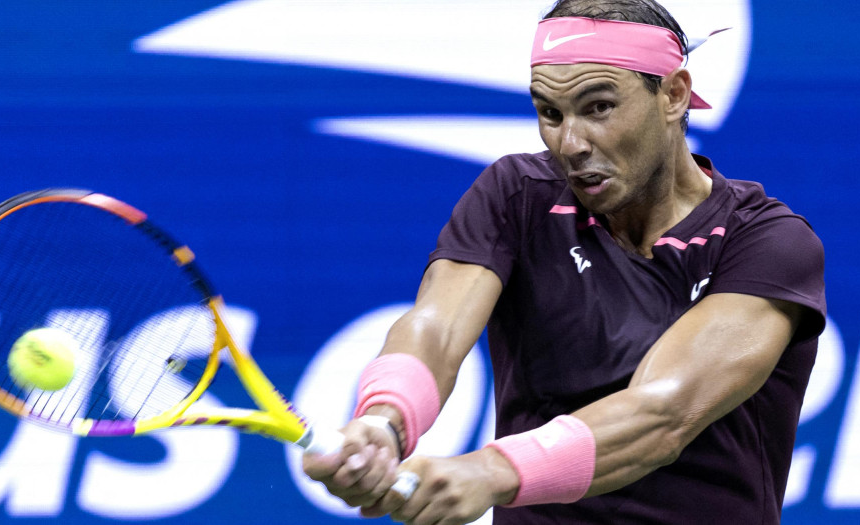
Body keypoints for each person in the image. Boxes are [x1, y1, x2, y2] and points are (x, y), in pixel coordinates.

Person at [303, 0, 826, 523]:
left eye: (598, 107)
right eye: (550, 114)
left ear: (674, 94)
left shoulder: (766, 242)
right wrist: (385, 421)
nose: (570, 144)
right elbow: (436, 327)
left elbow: (663, 413)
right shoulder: (517, 196)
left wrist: (491, 472)